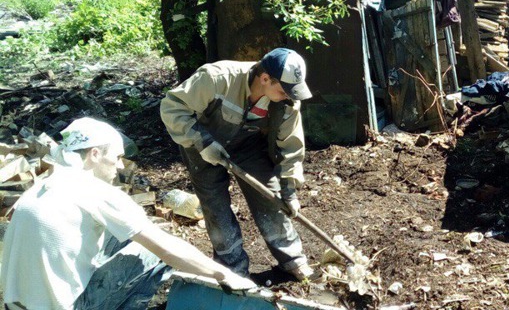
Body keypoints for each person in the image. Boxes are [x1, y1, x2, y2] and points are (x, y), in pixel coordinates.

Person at [0, 117, 255, 310]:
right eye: (118, 157)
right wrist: (225, 275)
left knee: (123, 235)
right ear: (95, 154)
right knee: (153, 251)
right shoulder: (94, 191)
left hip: (17, 304)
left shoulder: (44, 185)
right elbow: (165, 247)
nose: (121, 166)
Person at [160, 47, 314, 281]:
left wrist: (289, 189)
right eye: (284, 91)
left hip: (247, 144)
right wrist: (203, 142)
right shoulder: (216, 78)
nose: (289, 96)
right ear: (264, 79)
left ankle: (292, 259)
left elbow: (290, 146)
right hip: (201, 143)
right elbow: (172, 107)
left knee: (271, 198)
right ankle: (232, 269)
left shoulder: (287, 103)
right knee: (216, 206)